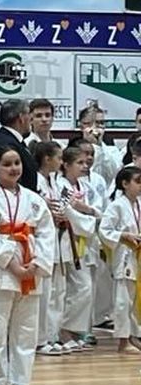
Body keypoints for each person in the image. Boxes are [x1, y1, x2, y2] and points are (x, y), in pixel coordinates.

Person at [0, 146, 55, 385]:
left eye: (17, 163)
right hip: (1, 271)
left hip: (31, 267)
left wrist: (37, 263)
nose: (13, 168)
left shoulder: (33, 199)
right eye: (7, 164)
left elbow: (46, 232)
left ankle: (20, 382)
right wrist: (13, 264)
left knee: (26, 330)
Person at [55, 141, 100, 352]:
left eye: (85, 162)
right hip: (69, 241)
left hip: (86, 243)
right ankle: (64, 331)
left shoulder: (86, 186)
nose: (85, 166)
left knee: (85, 289)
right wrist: (87, 216)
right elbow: (66, 214)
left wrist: (87, 209)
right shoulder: (60, 186)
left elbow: (99, 211)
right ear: (66, 165)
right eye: (79, 162)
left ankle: (74, 331)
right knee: (79, 288)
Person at [31, 139, 70, 357]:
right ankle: (39, 339)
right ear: (47, 159)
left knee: (56, 293)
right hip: (41, 242)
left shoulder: (53, 181)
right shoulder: (35, 181)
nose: (62, 162)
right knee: (43, 293)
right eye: (59, 158)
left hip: (56, 238)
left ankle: (51, 336)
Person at [99, 165, 141, 354]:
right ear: (124, 184)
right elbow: (104, 230)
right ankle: (123, 341)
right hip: (125, 257)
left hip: (138, 257)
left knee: (135, 300)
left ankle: (133, 336)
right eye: (137, 181)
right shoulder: (117, 205)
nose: (140, 186)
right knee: (123, 300)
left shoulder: (138, 204)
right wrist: (123, 236)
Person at [0, 98, 32, 191]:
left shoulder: (9, 140)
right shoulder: (5, 144)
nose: (31, 119)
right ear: (21, 118)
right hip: (8, 202)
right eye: (29, 114)